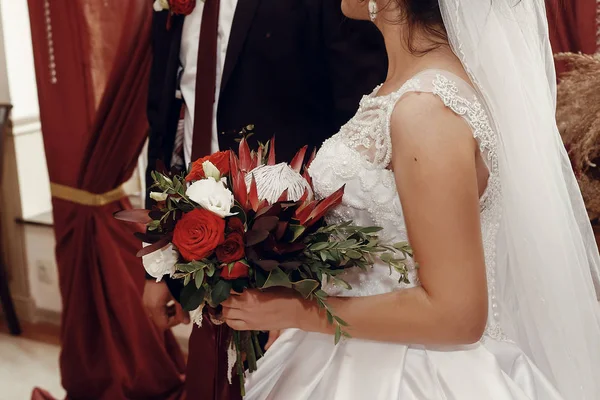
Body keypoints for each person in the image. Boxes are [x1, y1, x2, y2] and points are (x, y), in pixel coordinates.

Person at [221, 0, 600, 398]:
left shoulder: (426, 109)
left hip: (410, 374)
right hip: (353, 353)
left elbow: (457, 314)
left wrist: (298, 311)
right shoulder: (406, 91)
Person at [144, 1, 387, 398]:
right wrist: (157, 262)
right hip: (198, 245)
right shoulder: (172, 8)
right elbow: (165, 121)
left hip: (296, 259)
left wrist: (316, 277)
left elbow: (359, 114)